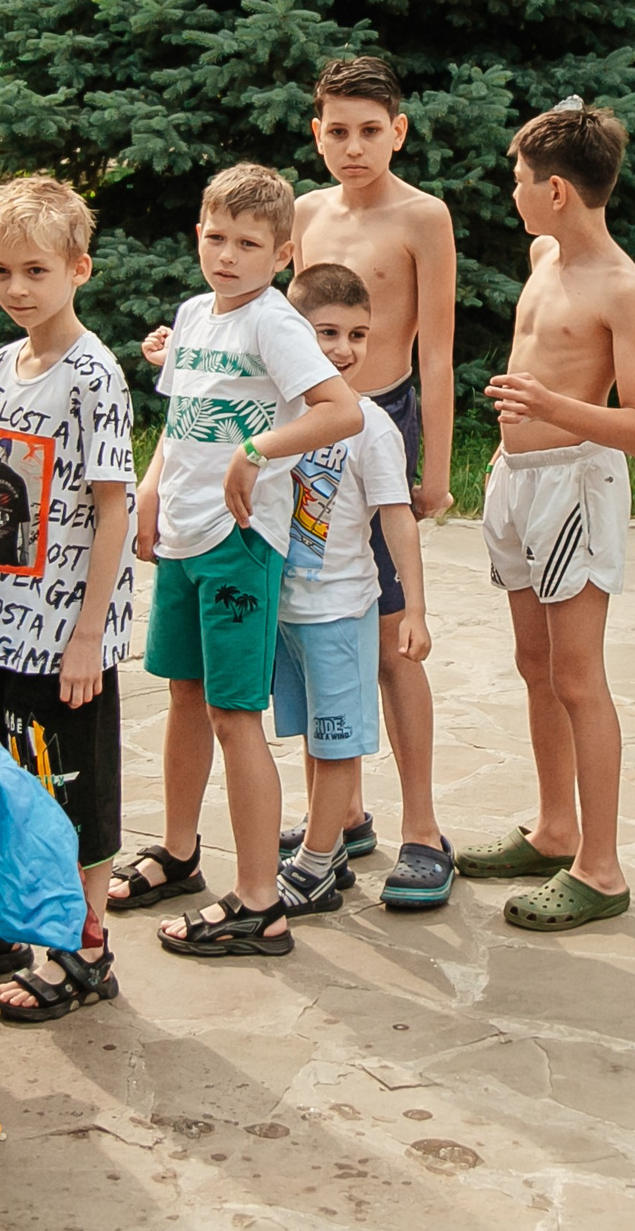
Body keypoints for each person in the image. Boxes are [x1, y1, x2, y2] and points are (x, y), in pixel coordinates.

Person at [115, 164, 364, 959]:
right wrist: (152, 490)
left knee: (233, 714)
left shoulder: (274, 323)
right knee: (184, 697)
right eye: (216, 238)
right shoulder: (194, 314)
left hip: (240, 542)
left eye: (249, 244)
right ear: (199, 234)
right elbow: (186, 421)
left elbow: (341, 411)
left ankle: (260, 901)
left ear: (281, 254)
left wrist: (258, 450)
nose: (228, 256)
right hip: (184, 535)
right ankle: (180, 852)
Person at [0, 177, 134, 1022]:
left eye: (35, 271)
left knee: (72, 786)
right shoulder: (0, 366)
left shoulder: (94, 376)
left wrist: (87, 637)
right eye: (0, 271)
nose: (15, 289)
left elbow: (114, 509)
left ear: (79, 269)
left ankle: (86, 946)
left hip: (64, 636)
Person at [458, 102, 635, 931]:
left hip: (578, 484)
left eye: (519, 181)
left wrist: (551, 404)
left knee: (578, 676)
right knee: (534, 665)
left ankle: (602, 869)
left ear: (557, 192)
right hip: (517, 481)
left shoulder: (623, 287)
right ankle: (553, 829)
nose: (511, 193)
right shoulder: (545, 255)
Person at [288, 56, 459, 908]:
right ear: (316, 132)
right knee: (327, 621)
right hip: (309, 434)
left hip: (384, 425)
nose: (352, 147)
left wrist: (435, 467)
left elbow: (436, 347)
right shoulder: (303, 212)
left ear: (398, 130)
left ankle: (423, 828)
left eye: (369, 131)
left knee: (393, 635)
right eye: (336, 131)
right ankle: (344, 809)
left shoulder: (423, 217)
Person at [269, 263, 434, 919]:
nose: (343, 349)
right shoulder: (280, 413)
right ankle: (329, 837)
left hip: (341, 609)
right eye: (326, 332)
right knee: (314, 735)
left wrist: (413, 610)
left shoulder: (370, 426)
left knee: (337, 738)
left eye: (357, 335)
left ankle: (311, 868)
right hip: (289, 610)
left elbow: (397, 519)